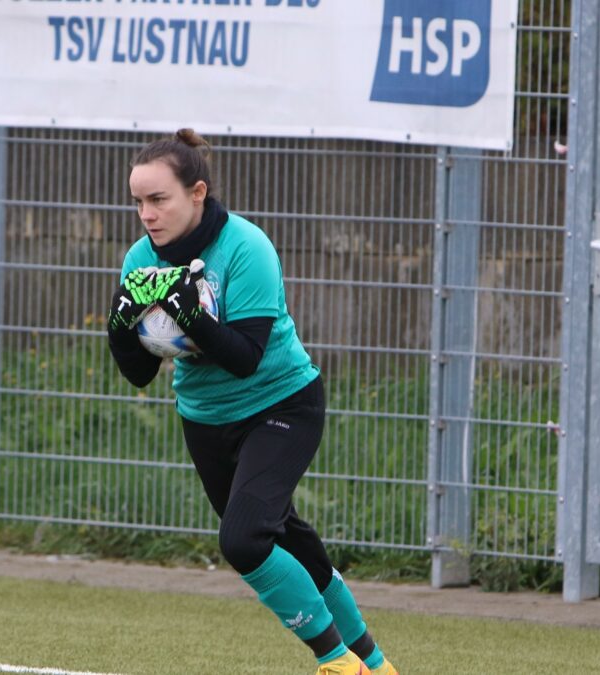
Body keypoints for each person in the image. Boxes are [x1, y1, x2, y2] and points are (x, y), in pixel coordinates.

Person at [106, 129, 399, 675]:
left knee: (243, 541)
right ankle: (376, 666)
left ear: (197, 192)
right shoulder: (139, 259)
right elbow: (140, 374)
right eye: (138, 202)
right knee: (285, 540)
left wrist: (190, 314)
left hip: (282, 405)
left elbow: (245, 357)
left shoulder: (246, 247)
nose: (146, 214)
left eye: (158, 199)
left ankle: (338, 663)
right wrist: (120, 327)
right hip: (207, 419)